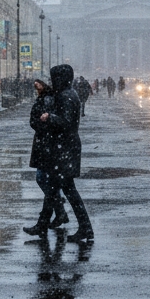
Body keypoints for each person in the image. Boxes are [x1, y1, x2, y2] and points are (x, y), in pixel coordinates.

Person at [23, 64, 93, 242]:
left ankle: (85, 228)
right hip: (64, 148)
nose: (53, 81)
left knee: (67, 191)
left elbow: (67, 122)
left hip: (65, 149)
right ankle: (44, 223)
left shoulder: (66, 96)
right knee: (54, 190)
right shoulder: (67, 93)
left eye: (55, 78)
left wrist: (50, 117)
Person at [24, 79, 72, 232]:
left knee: (43, 179)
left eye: (38, 85)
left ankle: (54, 213)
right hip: (45, 144)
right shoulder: (46, 98)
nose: (36, 87)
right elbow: (35, 120)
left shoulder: (49, 99)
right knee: (48, 181)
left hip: (47, 145)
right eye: (35, 86)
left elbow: (46, 120)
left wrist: (42, 125)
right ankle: (59, 211)